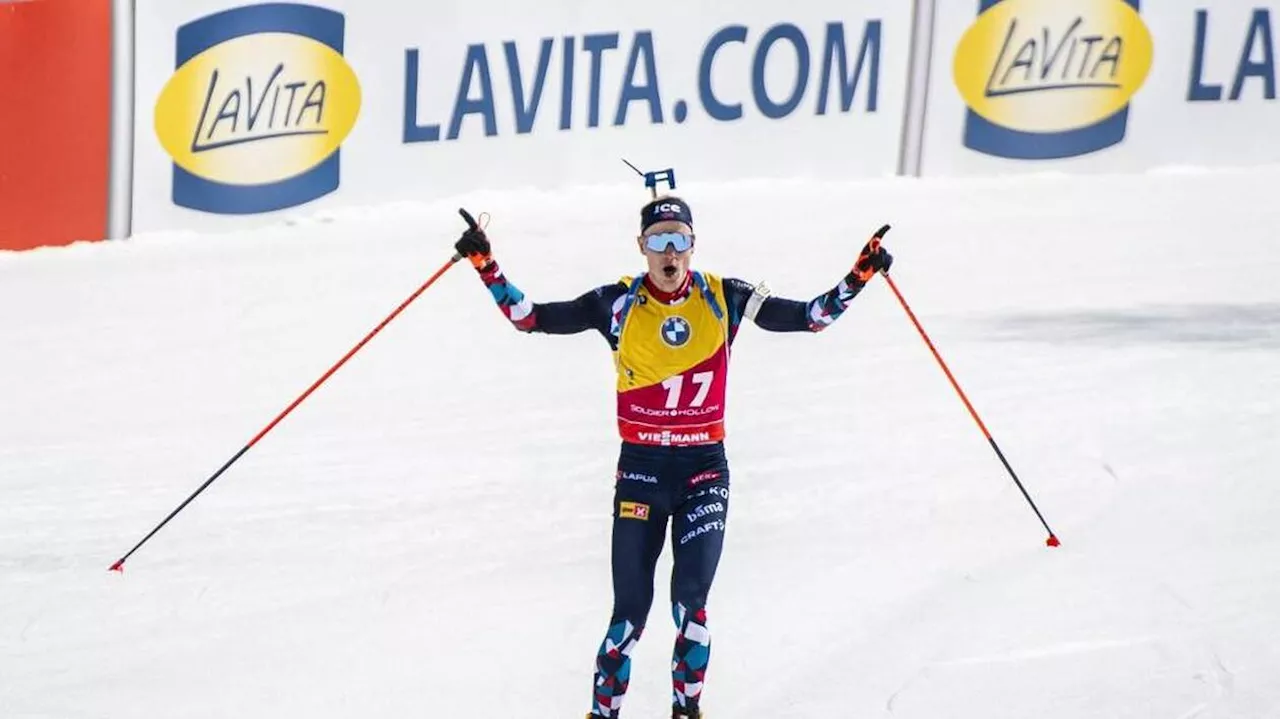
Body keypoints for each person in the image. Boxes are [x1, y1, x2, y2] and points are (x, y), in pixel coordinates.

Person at [453, 188, 892, 719]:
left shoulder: (724, 296)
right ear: (641, 246)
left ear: (692, 245)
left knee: (692, 609)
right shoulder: (616, 302)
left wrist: (858, 277)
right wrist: (486, 264)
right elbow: (530, 318)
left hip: (703, 472)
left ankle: (687, 713)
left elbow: (812, 318)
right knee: (628, 618)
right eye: (658, 241)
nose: (669, 253)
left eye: (678, 241)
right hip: (640, 473)